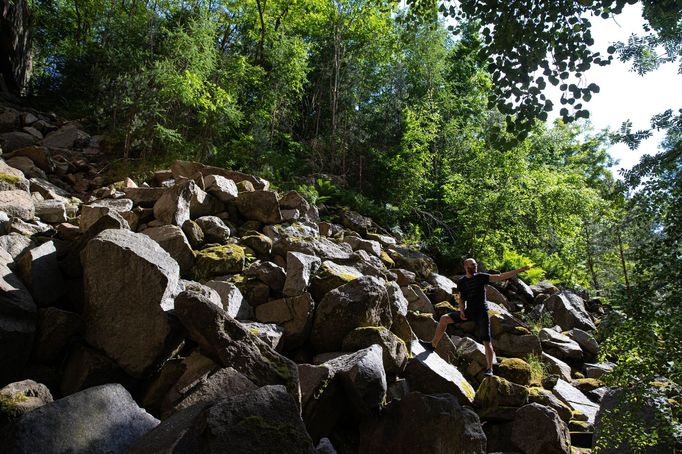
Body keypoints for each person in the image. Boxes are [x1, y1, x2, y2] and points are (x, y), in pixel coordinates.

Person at [421, 258, 529, 377]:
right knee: (444, 319)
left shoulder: (481, 277)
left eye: (476, 264)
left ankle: (489, 369)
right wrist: (461, 311)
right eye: (472, 265)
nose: (475, 266)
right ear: (466, 266)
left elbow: (499, 276)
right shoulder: (462, 282)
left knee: (487, 342)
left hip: (482, 313)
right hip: (469, 312)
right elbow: (462, 298)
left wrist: (519, 270)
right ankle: (432, 346)